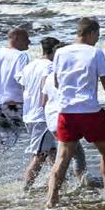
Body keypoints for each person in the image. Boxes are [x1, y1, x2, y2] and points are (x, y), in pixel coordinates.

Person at [46, 18, 105, 208]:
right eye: (97, 35)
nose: (97, 39)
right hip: (89, 111)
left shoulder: (60, 52)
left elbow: (57, 82)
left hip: (66, 112)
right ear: (91, 33)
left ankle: (51, 200)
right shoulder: (95, 53)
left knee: (62, 158)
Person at [41, 44, 89, 187]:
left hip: (51, 121)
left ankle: (62, 184)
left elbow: (43, 101)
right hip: (64, 119)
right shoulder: (70, 75)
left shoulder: (49, 76)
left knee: (64, 155)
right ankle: (81, 185)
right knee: (76, 157)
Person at [17, 36, 61, 190]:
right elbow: (45, 90)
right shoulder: (49, 66)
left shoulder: (29, 66)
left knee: (52, 152)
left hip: (29, 114)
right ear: (55, 51)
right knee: (39, 156)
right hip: (42, 117)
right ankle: (25, 190)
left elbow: (23, 89)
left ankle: (59, 184)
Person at [0, 28, 31, 148]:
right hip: (13, 105)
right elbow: (23, 81)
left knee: (0, 143)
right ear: (16, 38)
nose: (29, 42)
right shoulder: (21, 56)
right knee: (9, 143)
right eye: (26, 38)